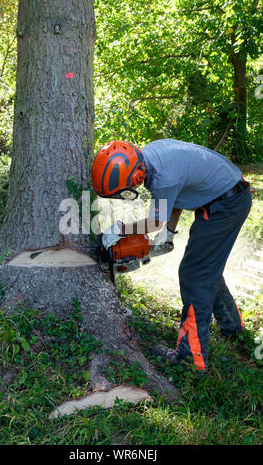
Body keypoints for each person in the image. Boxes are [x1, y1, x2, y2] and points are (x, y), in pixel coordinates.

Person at [91, 139, 252, 372]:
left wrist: (119, 229)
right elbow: (179, 192)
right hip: (227, 195)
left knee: (195, 274)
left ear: (135, 176)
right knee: (206, 268)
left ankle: (190, 358)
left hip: (225, 205)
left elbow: (154, 221)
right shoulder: (153, 155)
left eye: (124, 192)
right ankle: (232, 328)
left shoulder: (162, 178)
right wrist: (169, 232)